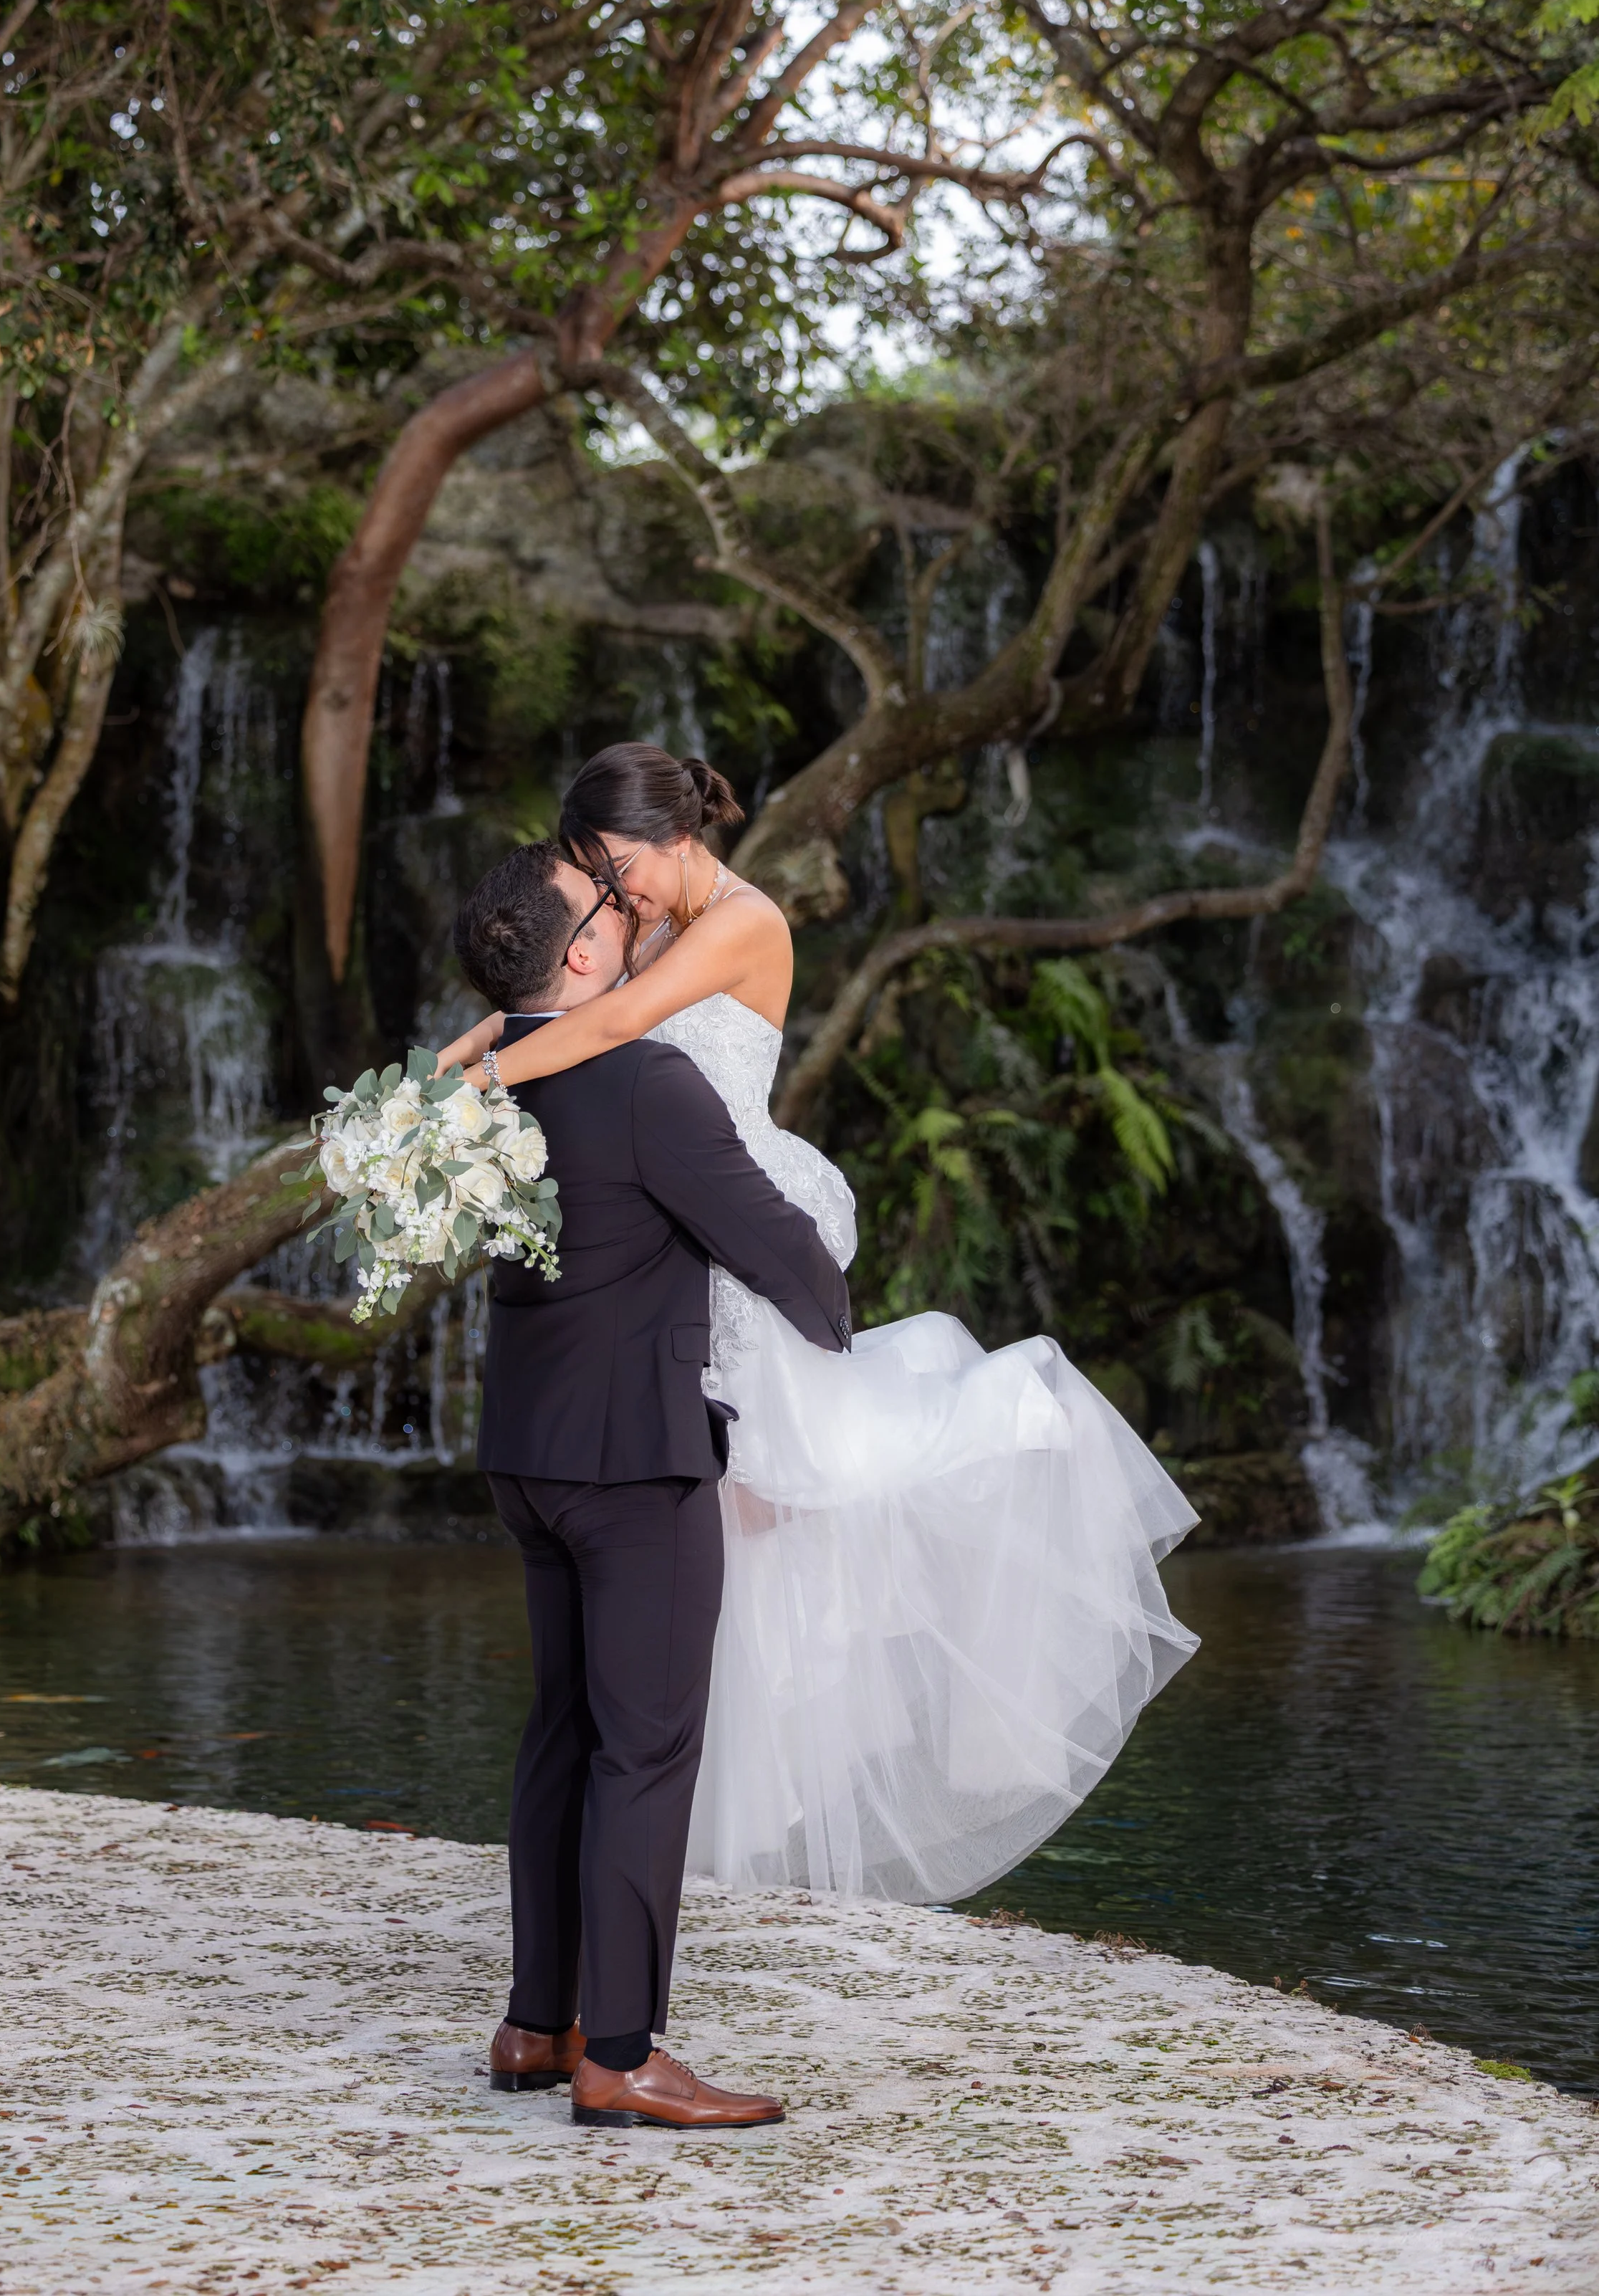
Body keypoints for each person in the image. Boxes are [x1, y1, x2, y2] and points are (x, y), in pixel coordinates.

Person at [442, 744, 1200, 1911]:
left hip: (728, 1210)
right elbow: (574, 1000)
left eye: (615, 867)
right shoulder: (637, 919)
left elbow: (617, 1025)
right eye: (595, 876)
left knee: (794, 1497)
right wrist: (483, 1038)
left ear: (671, 837)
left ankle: (1004, 1434)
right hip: (661, 1236)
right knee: (729, 1533)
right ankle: (650, 1863)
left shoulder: (747, 923)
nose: (611, 894)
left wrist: (474, 1076)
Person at [454, 838, 850, 2131]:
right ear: (578, 953)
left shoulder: (480, 1084)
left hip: (526, 1451)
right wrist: (836, 1320)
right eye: (605, 908)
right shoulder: (645, 1083)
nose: (627, 915)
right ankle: (617, 2052)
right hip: (636, 1459)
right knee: (647, 1746)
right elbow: (774, 1245)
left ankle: (535, 2020)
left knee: (563, 1728)